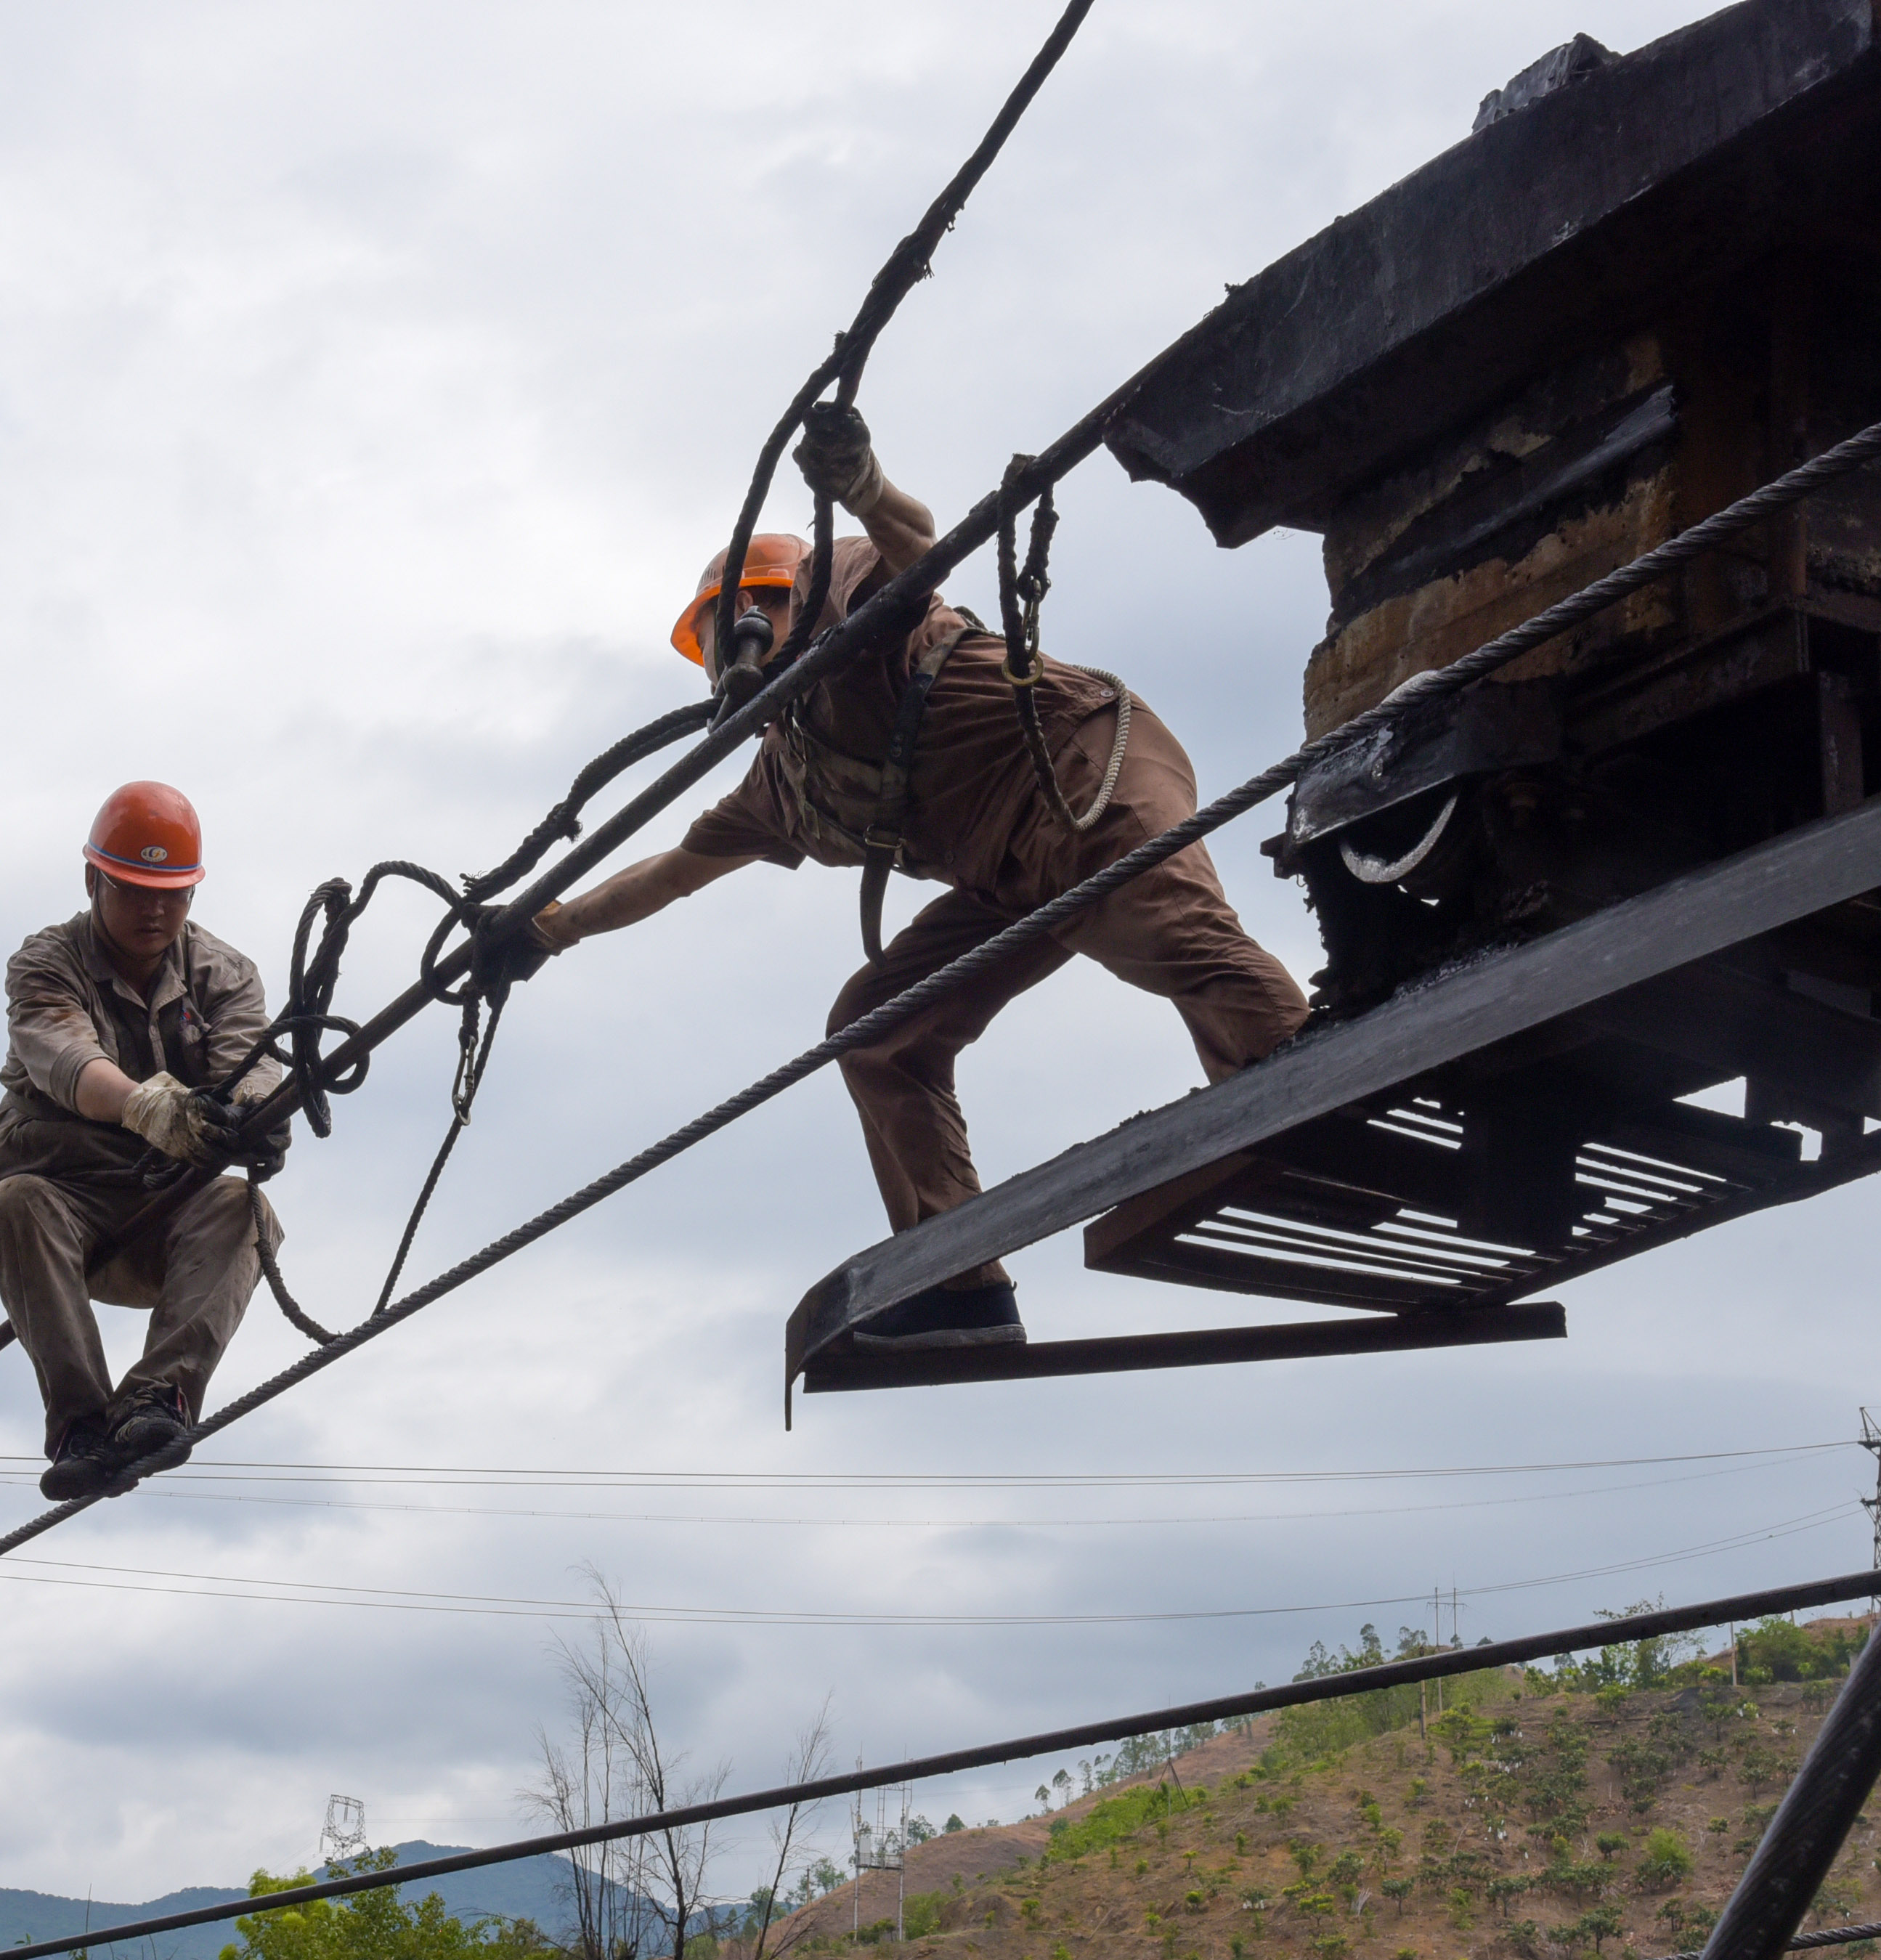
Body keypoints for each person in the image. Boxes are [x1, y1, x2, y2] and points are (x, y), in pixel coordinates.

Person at [524, 410, 1309, 1350]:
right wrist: (545, 928)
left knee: (1171, 938)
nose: (749, 634)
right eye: (729, 630)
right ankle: (958, 1283)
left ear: (791, 598)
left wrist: (860, 483)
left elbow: (916, 542)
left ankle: (1316, 1110)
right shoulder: (786, 775)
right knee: (877, 1030)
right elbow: (669, 875)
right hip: (1009, 875)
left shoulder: (858, 606)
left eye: (761, 610)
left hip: (1083, 773)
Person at [0, 781, 289, 1501]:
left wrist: (257, 1113)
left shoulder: (225, 976)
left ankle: (155, 1406)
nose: (155, 910)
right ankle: (82, 1426)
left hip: (163, 1216)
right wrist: (149, 1106)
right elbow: (68, 1060)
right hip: (60, 1212)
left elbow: (253, 1062)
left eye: (173, 894)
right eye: (135, 889)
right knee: (13, 1204)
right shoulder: (47, 963)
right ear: (93, 881)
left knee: (247, 1210)